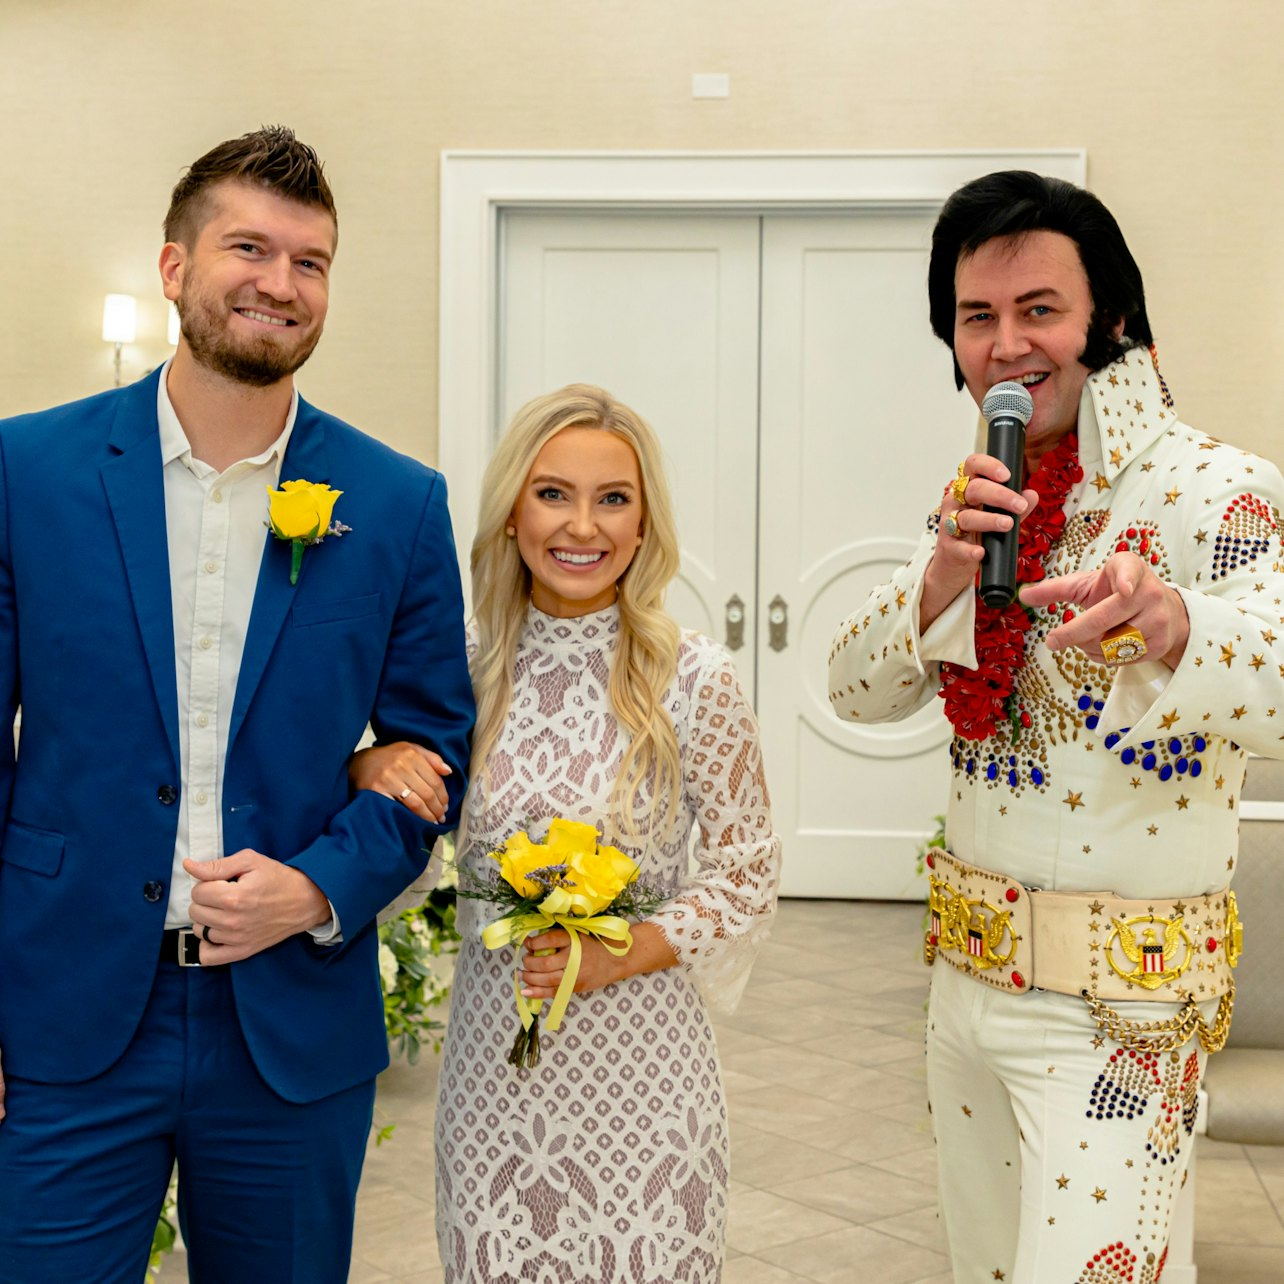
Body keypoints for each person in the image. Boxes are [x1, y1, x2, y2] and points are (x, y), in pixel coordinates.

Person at [0, 126, 474, 1281]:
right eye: (248, 248)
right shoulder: (26, 473)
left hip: (289, 1027)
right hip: (65, 1013)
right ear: (174, 268)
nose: (280, 282)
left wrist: (319, 885)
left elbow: (431, 748)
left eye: (310, 261)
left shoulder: (398, 503)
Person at [828, 170, 1284, 1283]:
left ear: (1111, 320)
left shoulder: (1217, 491)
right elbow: (853, 693)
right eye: (977, 317)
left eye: (1040, 310)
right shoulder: (980, 498)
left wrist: (1176, 622)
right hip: (964, 1000)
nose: (1007, 344)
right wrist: (937, 574)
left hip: (1124, 1015)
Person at [352, 384, 781, 1283]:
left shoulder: (695, 679)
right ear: (512, 512)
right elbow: (405, 837)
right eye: (553, 493)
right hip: (495, 1086)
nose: (581, 526)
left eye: (612, 498)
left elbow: (747, 874)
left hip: (650, 1086)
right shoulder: (459, 675)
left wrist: (625, 952)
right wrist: (367, 765)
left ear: (642, 523)